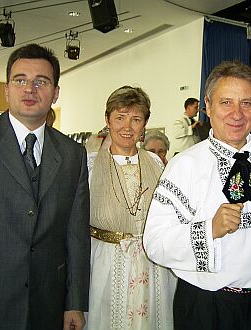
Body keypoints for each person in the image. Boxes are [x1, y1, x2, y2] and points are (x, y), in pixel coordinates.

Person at [143, 60, 251, 330]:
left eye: (246, 103)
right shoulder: (185, 165)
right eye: (226, 102)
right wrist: (209, 230)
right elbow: (155, 242)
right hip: (208, 308)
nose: (237, 114)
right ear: (208, 105)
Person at [0, 44, 90, 330]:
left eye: (40, 82)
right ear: (7, 89)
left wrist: (75, 302)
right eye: (20, 80)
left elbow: (76, 235)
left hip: (47, 302)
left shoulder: (73, 154)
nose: (30, 89)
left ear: (55, 92)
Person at [86, 86, 176, 329]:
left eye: (136, 119)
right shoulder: (89, 166)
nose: (127, 127)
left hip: (151, 263)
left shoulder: (156, 163)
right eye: (120, 118)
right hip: (105, 263)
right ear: (107, 120)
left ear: (144, 124)